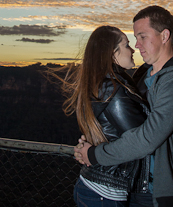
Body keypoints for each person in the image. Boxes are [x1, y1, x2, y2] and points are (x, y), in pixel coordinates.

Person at [74, 5, 173, 207]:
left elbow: (146, 138)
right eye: (134, 38)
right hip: (126, 185)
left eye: (142, 37)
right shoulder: (141, 74)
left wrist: (95, 154)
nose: (137, 45)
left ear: (164, 36)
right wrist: (90, 143)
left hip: (153, 192)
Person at [58, 25, 151, 206]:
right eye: (126, 45)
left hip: (95, 185)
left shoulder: (105, 84)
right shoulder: (113, 90)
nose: (132, 49)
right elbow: (142, 138)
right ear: (111, 53)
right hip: (105, 192)